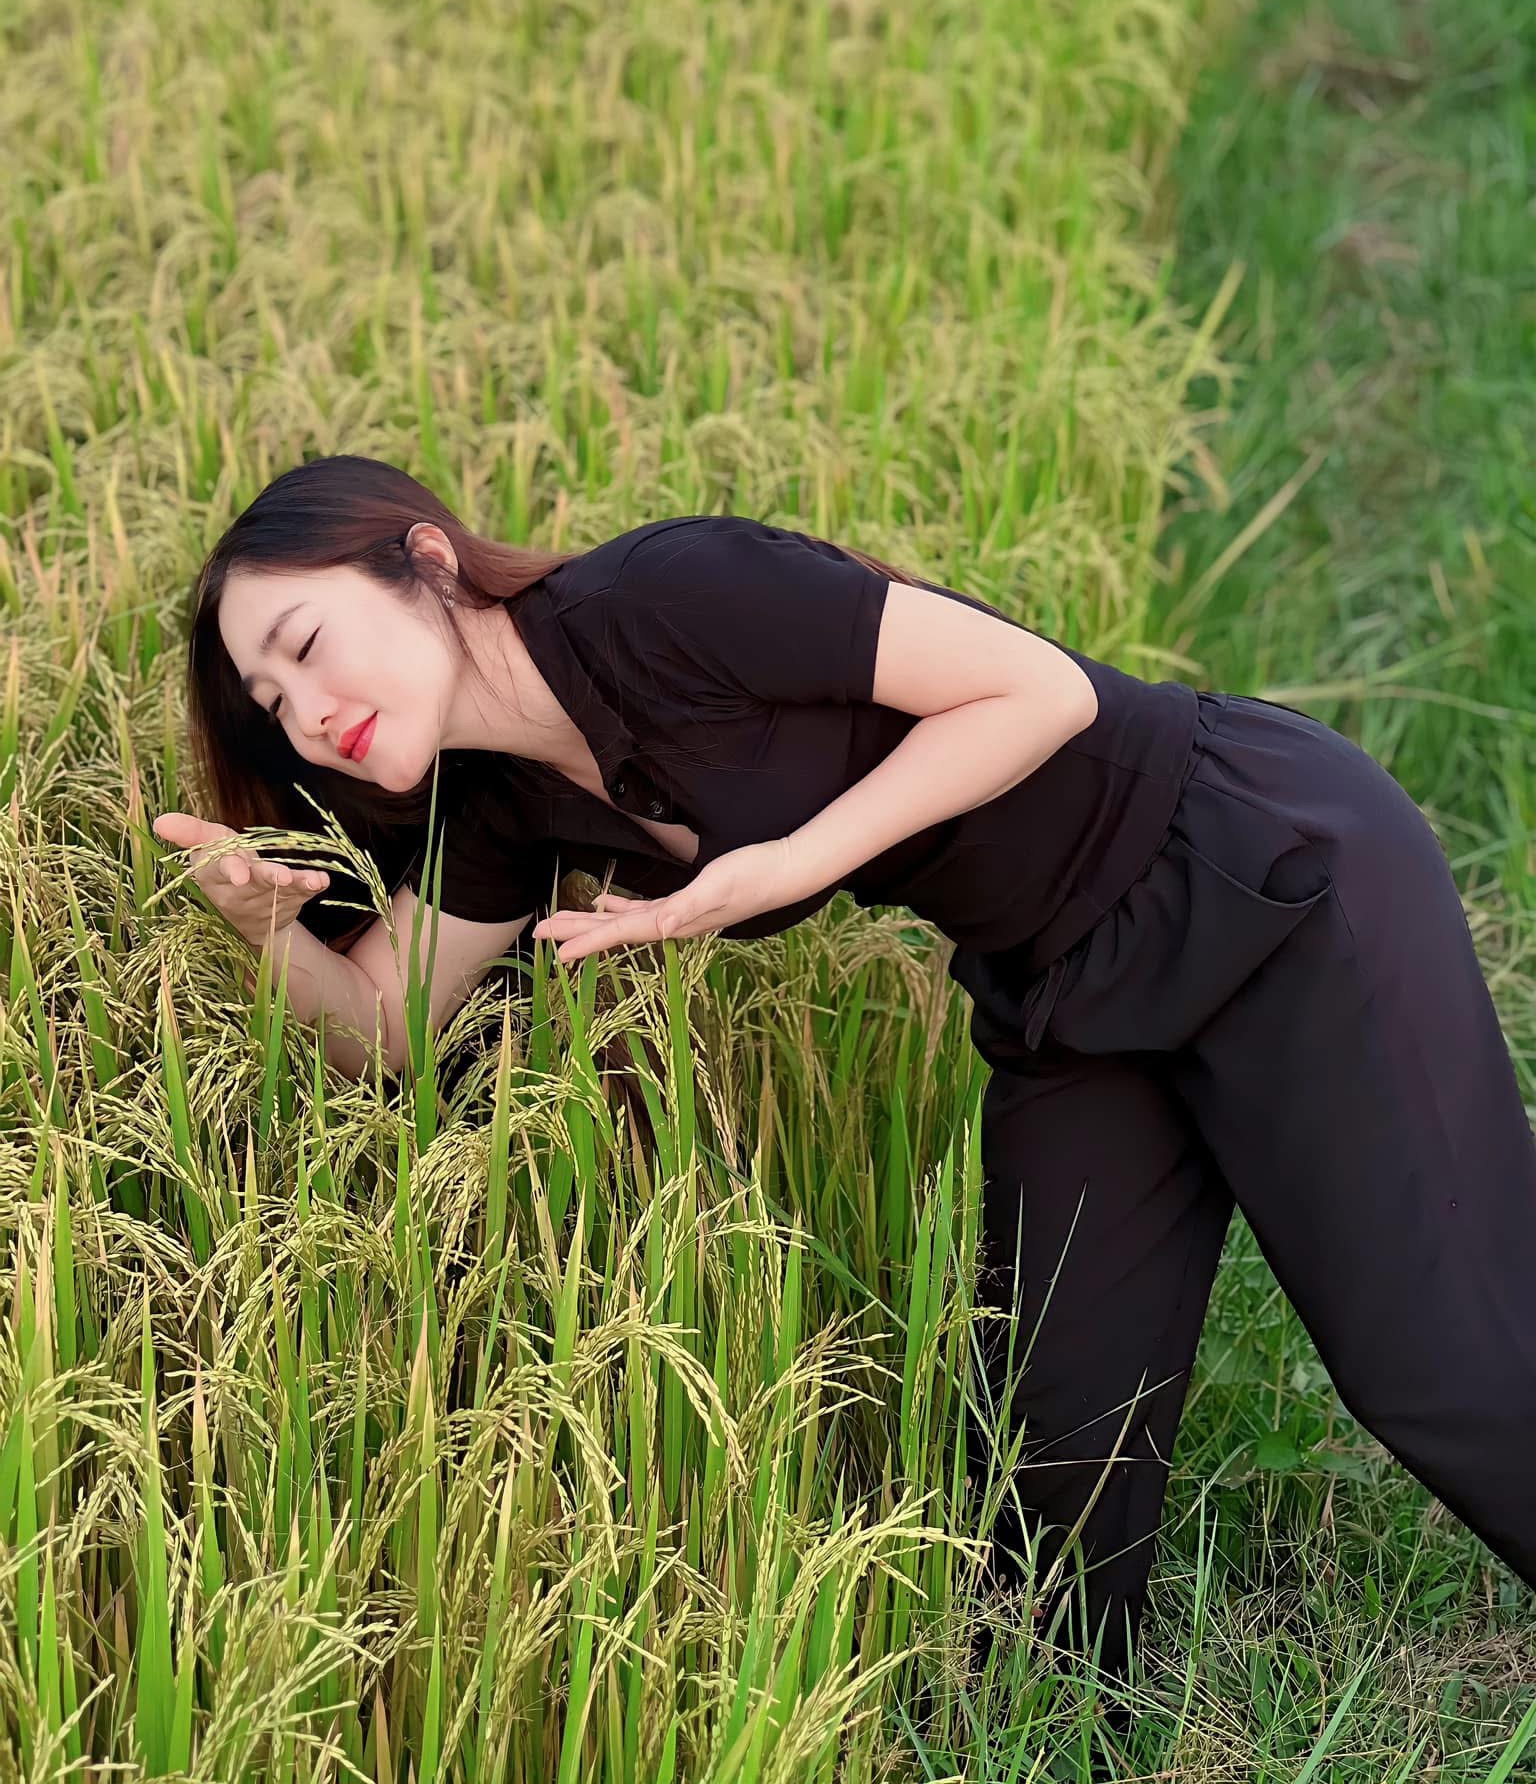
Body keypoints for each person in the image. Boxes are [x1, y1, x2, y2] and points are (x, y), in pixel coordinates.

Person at [153, 453, 1536, 1687]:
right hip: (1064, 993)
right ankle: (1063, 1739)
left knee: (1441, 1370)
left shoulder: (666, 596)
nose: (306, 710)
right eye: (272, 702)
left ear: (427, 561)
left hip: (1248, 865)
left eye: (308, 644)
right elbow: (382, 1031)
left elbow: (1039, 689)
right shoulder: (501, 806)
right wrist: (271, 933)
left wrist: (783, 867)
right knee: (1053, 1489)